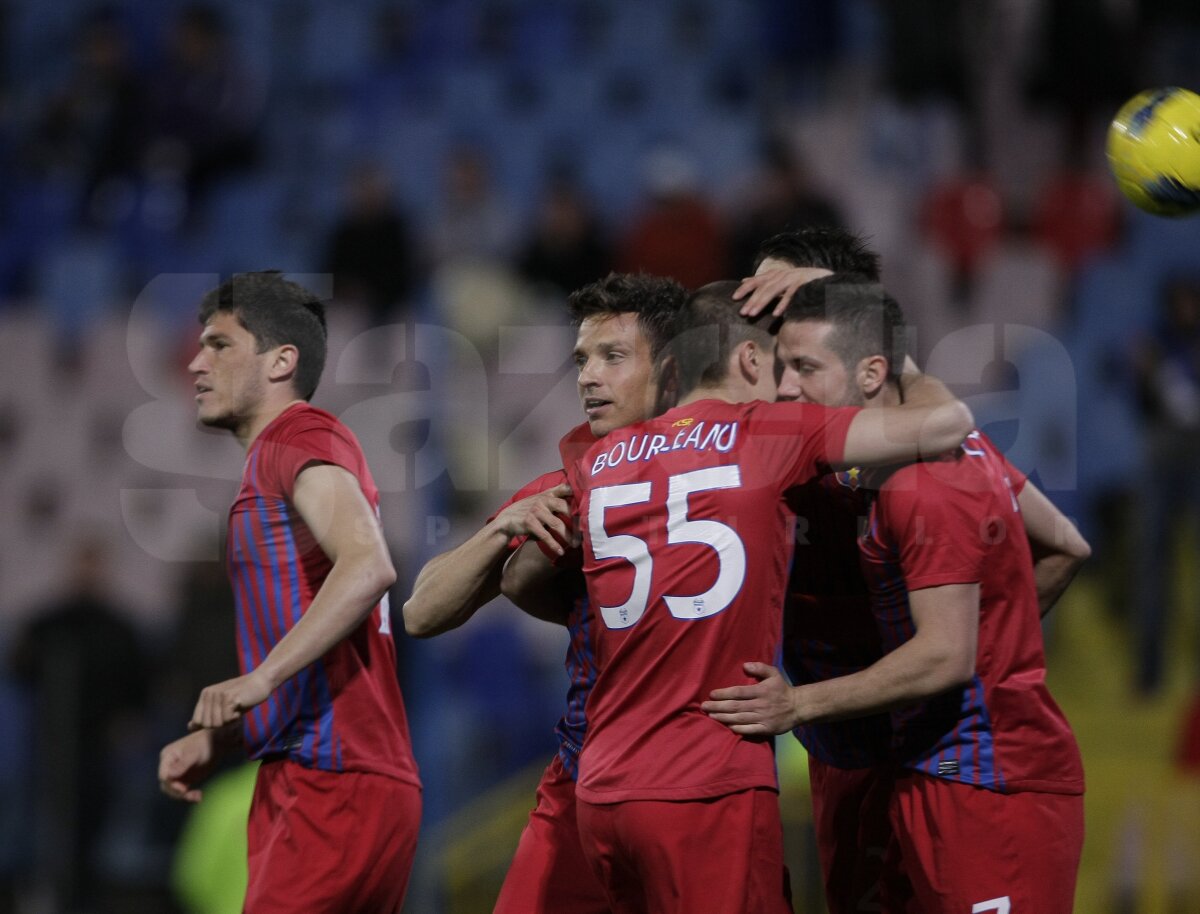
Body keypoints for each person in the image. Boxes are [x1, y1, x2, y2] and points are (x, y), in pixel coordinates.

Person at [530, 281, 972, 913]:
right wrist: (893, 356)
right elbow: (948, 424)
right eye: (782, 364)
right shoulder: (765, 433)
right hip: (705, 781)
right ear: (748, 359)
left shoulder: (599, 458)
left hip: (603, 790)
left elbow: (522, 580)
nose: (789, 384)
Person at [703, 276, 1088, 913]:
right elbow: (1067, 547)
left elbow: (945, 656)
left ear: (873, 372)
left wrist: (798, 703)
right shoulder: (875, 471)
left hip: (986, 778)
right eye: (781, 367)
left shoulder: (925, 485)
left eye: (805, 367)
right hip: (922, 770)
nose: (787, 386)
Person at [403, 271, 688, 914]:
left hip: (695, 780)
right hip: (584, 778)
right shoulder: (568, 488)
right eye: (582, 360)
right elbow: (421, 612)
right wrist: (501, 527)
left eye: (612, 356)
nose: (588, 377)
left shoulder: (738, 471)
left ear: (671, 369)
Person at [157, 271, 421, 913]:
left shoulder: (297, 437)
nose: (196, 363)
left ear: (281, 361)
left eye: (220, 344)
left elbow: (368, 565)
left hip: (331, 780)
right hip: (327, 774)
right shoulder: (279, 459)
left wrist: (260, 679)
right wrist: (223, 737)